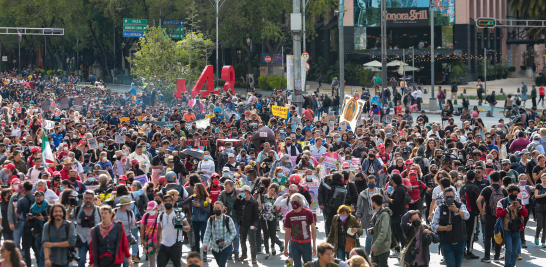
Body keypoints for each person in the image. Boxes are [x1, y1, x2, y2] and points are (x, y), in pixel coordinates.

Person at [431, 187, 470, 267]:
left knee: (458, 265)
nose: (449, 199)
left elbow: (467, 216)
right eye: (447, 197)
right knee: (450, 265)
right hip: (446, 241)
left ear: (454, 197)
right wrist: (445, 228)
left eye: (451, 197)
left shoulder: (460, 205)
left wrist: (457, 210)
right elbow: (433, 226)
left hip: (460, 240)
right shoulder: (440, 208)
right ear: (444, 198)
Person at [476, 171, 507, 263]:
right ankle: (497, 257)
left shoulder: (486, 189)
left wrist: (482, 212)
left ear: (491, 179)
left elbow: (478, 201)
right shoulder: (504, 190)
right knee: (498, 235)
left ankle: (487, 257)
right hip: (500, 216)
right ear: (500, 179)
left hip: (489, 216)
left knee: (487, 236)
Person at [496, 184, 528, 267]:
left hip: (516, 229)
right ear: (508, 192)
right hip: (506, 230)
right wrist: (507, 209)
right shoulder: (502, 201)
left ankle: (512, 265)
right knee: (509, 250)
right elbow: (498, 214)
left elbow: (525, 213)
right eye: (513, 193)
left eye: (516, 193)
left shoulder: (520, 201)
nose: (514, 195)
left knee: (514, 251)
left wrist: (520, 207)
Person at [355, 175, 388, 255]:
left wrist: (381, 205)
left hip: (380, 218)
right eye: (369, 182)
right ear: (367, 183)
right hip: (368, 219)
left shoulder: (380, 192)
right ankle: (367, 255)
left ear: (376, 182)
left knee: (379, 237)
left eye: (373, 182)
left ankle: (377, 254)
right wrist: (358, 221)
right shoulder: (363, 194)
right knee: (369, 237)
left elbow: (386, 203)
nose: (371, 183)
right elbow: (359, 208)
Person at [156, 194, 191, 267]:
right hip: (164, 245)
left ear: (173, 202)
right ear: (163, 203)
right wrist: (158, 244)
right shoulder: (161, 215)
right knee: (160, 265)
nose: (167, 202)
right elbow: (159, 230)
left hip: (176, 245)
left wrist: (180, 226)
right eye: (165, 201)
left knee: (177, 265)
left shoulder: (179, 214)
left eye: (169, 201)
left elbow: (188, 227)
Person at [283, 193, 317, 267]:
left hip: (306, 244)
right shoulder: (289, 215)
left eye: (295, 202)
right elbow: (287, 232)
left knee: (307, 265)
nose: (293, 204)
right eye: (292, 202)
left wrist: (314, 245)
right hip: (294, 243)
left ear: (301, 203)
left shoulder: (308, 213)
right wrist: (285, 248)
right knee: (297, 265)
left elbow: (313, 229)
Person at [71, 190, 101, 267]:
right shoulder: (77, 209)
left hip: (94, 240)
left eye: (90, 198)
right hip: (82, 239)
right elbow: (68, 220)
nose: (88, 200)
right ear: (83, 198)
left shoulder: (99, 210)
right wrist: (69, 208)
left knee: (95, 262)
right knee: (81, 261)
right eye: (86, 198)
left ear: (94, 199)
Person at [203, 201, 237, 267]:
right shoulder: (211, 220)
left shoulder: (228, 219)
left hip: (226, 247)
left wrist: (226, 242)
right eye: (215, 208)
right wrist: (205, 243)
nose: (216, 210)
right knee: (220, 265)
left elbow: (233, 232)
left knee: (221, 265)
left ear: (222, 209)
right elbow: (207, 232)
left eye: (218, 208)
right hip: (215, 247)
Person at [233, 185, 259, 264]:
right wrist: (237, 199)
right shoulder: (241, 200)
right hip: (242, 224)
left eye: (242, 192)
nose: (241, 193)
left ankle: (253, 257)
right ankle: (244, 254)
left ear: (247, 192)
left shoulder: (253, 202)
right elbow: (234, 207)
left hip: (250, 225)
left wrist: (255, 225)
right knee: (242, 240)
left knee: (252, 242)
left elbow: (256, 215)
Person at [385, 174, 407, 258]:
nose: (389, 181)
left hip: (399, 214)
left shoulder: (400, 189)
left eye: (390, 179)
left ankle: (405, 250)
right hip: (394, 214)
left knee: (399, 233)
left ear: (393, 180)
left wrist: (387, 197)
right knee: (394, 233)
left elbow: (395, 201)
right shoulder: (396, 188)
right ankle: (397, 250)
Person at [369, 193, 392, 267]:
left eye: (371, 202)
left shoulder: (384, 214)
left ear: (374, 202)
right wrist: (372, 230)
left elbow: (384, 232)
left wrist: (375, 244)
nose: (371, 203)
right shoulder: (376, 213)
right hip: (377, 245)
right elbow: (378, 228)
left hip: (383, 246)